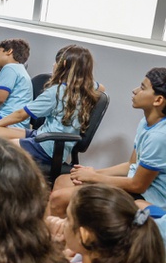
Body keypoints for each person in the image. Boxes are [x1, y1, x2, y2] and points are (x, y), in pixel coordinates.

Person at [48, 67, 166, 216]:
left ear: (158, 100)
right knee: (62, 180)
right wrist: (92, 172)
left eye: (142, 88)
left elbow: (138, 185)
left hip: (146, 198)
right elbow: (131, 165)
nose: (135, 91)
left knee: (59, 198)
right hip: (133, 187)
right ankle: (67, 231)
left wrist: (95, 178)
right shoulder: (146, 122)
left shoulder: (159, 136)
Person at [0, 45, 102, 169]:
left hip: (46, 147)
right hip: (43, 136)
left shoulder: (56, 92)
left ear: (63, 64)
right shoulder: (87, 88)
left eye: (56, 62)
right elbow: (101, 88)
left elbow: (20, 115)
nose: (53, 65)